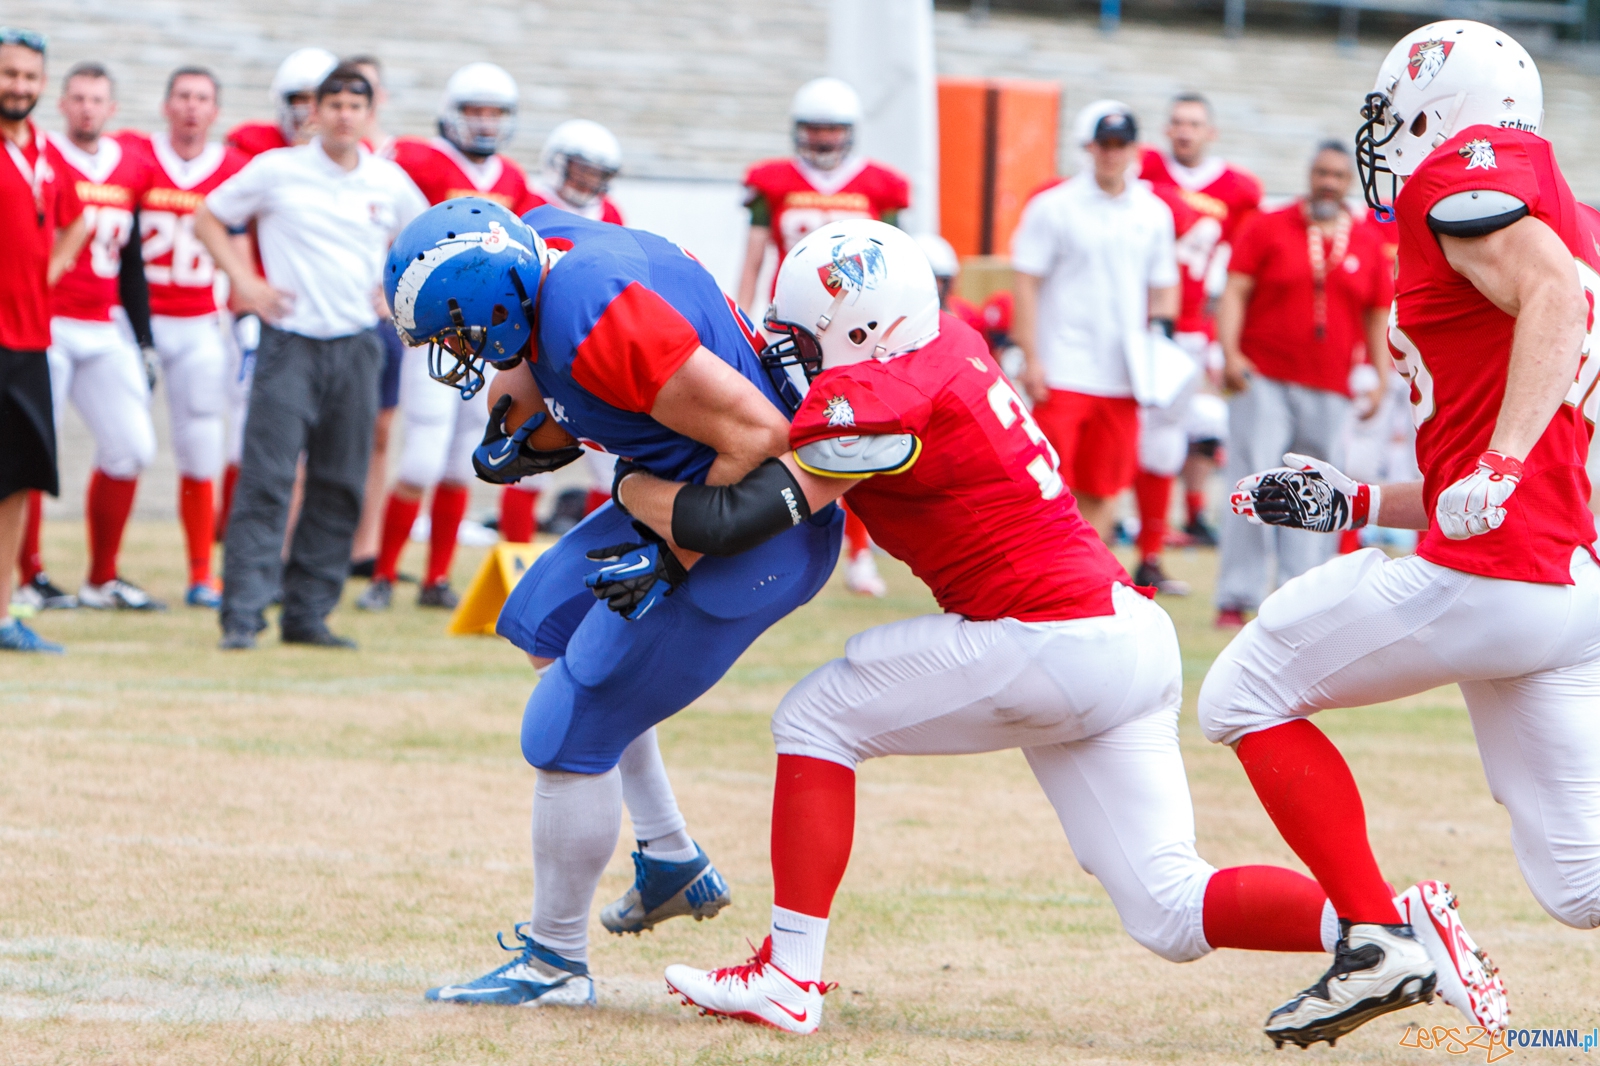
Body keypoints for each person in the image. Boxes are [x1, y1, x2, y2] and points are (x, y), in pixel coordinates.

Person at [616, 220, 1498, 1037]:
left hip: (1048, 637)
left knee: (815, 719)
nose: (790, 355)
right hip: (1124, 633)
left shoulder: (880, 394)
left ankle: (788, 976)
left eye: (804, 339)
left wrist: (628, 482)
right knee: (1168, 908)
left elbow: (735, 519)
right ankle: (1388, 927)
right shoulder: (945, 340)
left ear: (861, 330)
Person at [1203, 20, 1596, 1049]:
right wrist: (1359, 502)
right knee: (1581, 882)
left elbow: (1551, 299)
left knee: (1241, 692)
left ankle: (1378, 936)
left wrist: (1501, 461)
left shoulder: (1466, 177)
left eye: (1394, 116)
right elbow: (1497, 464)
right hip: (1563, 586)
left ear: (1438, 106)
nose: (1385, 140)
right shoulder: (1570, 214)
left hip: (1494, 578)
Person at [387, 197, 840, 1006]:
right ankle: (669, 855)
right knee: (542, 622)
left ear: (495, 303)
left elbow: (761, 439)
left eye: (458, 334)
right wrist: (521, 425)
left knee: (568, 725)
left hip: (754, 526)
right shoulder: (542, 246)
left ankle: (555, 964)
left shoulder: (601, 318)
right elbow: (543, 367)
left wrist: (672, 555)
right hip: (677, 490)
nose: (458, 354)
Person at [195, 63, 426, 650]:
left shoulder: (387, 180)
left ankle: (308, 614)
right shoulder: (278, 169)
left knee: (340, 481)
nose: (344, 116)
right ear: (315, 112)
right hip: (289, 342)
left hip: (357, 345)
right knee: (268, 478)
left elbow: (428, 240)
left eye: (355, 106)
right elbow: (208, 217)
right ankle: (243, 614)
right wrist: (245, 282)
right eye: (334, 105)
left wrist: (398, 293)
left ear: (370, 115)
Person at [359, 62, 534, 611]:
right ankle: (384, 574)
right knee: (420, 460)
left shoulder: (512, 178)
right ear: (452, 114)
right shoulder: (417, 159)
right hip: (434, 330)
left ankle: (436, 579)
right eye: (475, 111)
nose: (484, 123)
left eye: (494, 113)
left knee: (462, 461)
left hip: (486, 336)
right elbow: (380, 216)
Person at [739, 77, 909, 597]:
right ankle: (774, 548)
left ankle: (859, 553)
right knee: (780, 434)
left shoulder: (880, 185)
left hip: (859, 332)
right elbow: (754, 256)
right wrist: (743, 315)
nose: (823, 138)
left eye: (832, 128)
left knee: (857, 435)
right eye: (814, 128)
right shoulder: (773, 181)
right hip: (792, 327)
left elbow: (901, 258)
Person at [1212, 142, 1391, 628]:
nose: (1328, 183)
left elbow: (1377, 315)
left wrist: (1379, 377)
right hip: (1264, 375)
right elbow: (1235, 291)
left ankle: (1302, 596)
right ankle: (1237, 594)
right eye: (1321, 173)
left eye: (1338, 175)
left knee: (1319, 491)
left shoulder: (1366, 242)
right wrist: (1230, 353)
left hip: (1331, 384)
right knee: (1252, 479)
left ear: (1349, 183)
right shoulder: (1268, 225)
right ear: (1309, 175)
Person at [1011, 102, 1179, 545]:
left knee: (1104, 486)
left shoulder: (1153, 212)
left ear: (1134, 149)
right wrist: (1031, 356)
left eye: (1120, 144)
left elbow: (1164, 287)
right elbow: (1025, 281)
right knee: (1048, 482)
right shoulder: (1055, 206)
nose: (1112, 153)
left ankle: (1088, 572)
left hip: (1122, 372)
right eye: (1105, 144)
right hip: (1063, 365)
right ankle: (1046, 569)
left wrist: (1159, 352)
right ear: (1090, 147)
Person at [120, 67, 251, 610]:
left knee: (201, 446)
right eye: (183, 97)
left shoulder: (235, 168)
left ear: (215, 111)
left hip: (200, 321)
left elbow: (250, 239)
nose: (192, 107)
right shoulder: (135, 157)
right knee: (123, 444)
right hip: (133, 324)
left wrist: (247, 303)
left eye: (202, 98)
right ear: (165, 104)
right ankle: (93, 572)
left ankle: (202, 573)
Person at [44, 61, 164, 610]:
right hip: (45, 319)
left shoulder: (130, 165)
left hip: (103, 319)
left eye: (96, 99)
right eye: (78, 98)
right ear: (62, 104)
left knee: (132, 447)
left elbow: (132, 258)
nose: (87, 108)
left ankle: (101, 579)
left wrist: (143, 338)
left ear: (112, 108)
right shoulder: (42, 154)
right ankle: (28, 576)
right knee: (28, 453)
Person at [216, 46, 337, 539]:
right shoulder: (254, 149)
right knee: (249, 427)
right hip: (263, 308)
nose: (307, 112)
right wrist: (246, 286)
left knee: (309, 438)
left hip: (321, 311)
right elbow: (226, 220)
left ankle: (280, 541)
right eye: (298, 99)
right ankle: (232, 533)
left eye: (316, 99)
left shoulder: (349, 161)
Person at [1137, 94, 1262, 565]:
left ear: (1210, 132)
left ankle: (1168, 534)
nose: (1185, 131)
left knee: (1180, 430)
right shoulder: (1144, 167)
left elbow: (1238, 269)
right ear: (1166, 129)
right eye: (1177, 122)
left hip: (1188, 326)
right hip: (1135, 319)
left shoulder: (1237, 189)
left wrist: (1220, 333)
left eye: (1194, 123)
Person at [498, 118, 629, 541]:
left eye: (596, 173)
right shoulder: (530, 203)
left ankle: (588, 557)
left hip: (590, 346)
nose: (588, 180)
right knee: (527, 451)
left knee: (607, 461)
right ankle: (516, 555)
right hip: (534, 343)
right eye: (581, 169)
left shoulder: (611, 213)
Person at [0, 26, 86, 652]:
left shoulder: (48, 153)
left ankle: (3, 616)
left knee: (15, 483)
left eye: (29, 76)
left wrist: (44, 275)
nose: (18, 86)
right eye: (9, 74)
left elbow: (77, 222)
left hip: (29, 342)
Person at [345, 54, 405, 578]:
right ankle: (294, 550)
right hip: (325, 317)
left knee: (380, 434)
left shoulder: (399, 163)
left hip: (378, 318)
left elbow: (427, 231)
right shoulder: (310, 160)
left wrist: (396, 294)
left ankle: (365, 548)